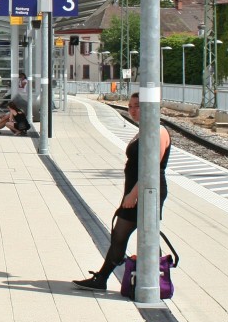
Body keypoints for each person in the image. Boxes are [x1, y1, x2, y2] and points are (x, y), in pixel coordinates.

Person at [73, 92, 170, 291]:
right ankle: (150, 279)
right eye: (130, 106)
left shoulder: (158, 131)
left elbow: (152, 168)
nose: (132, 110)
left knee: (128, 234)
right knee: (142, 234)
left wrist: (133, 194)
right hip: (136, 191)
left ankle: (105, 279)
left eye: (138, 106)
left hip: (146, 192)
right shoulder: (143, 130)